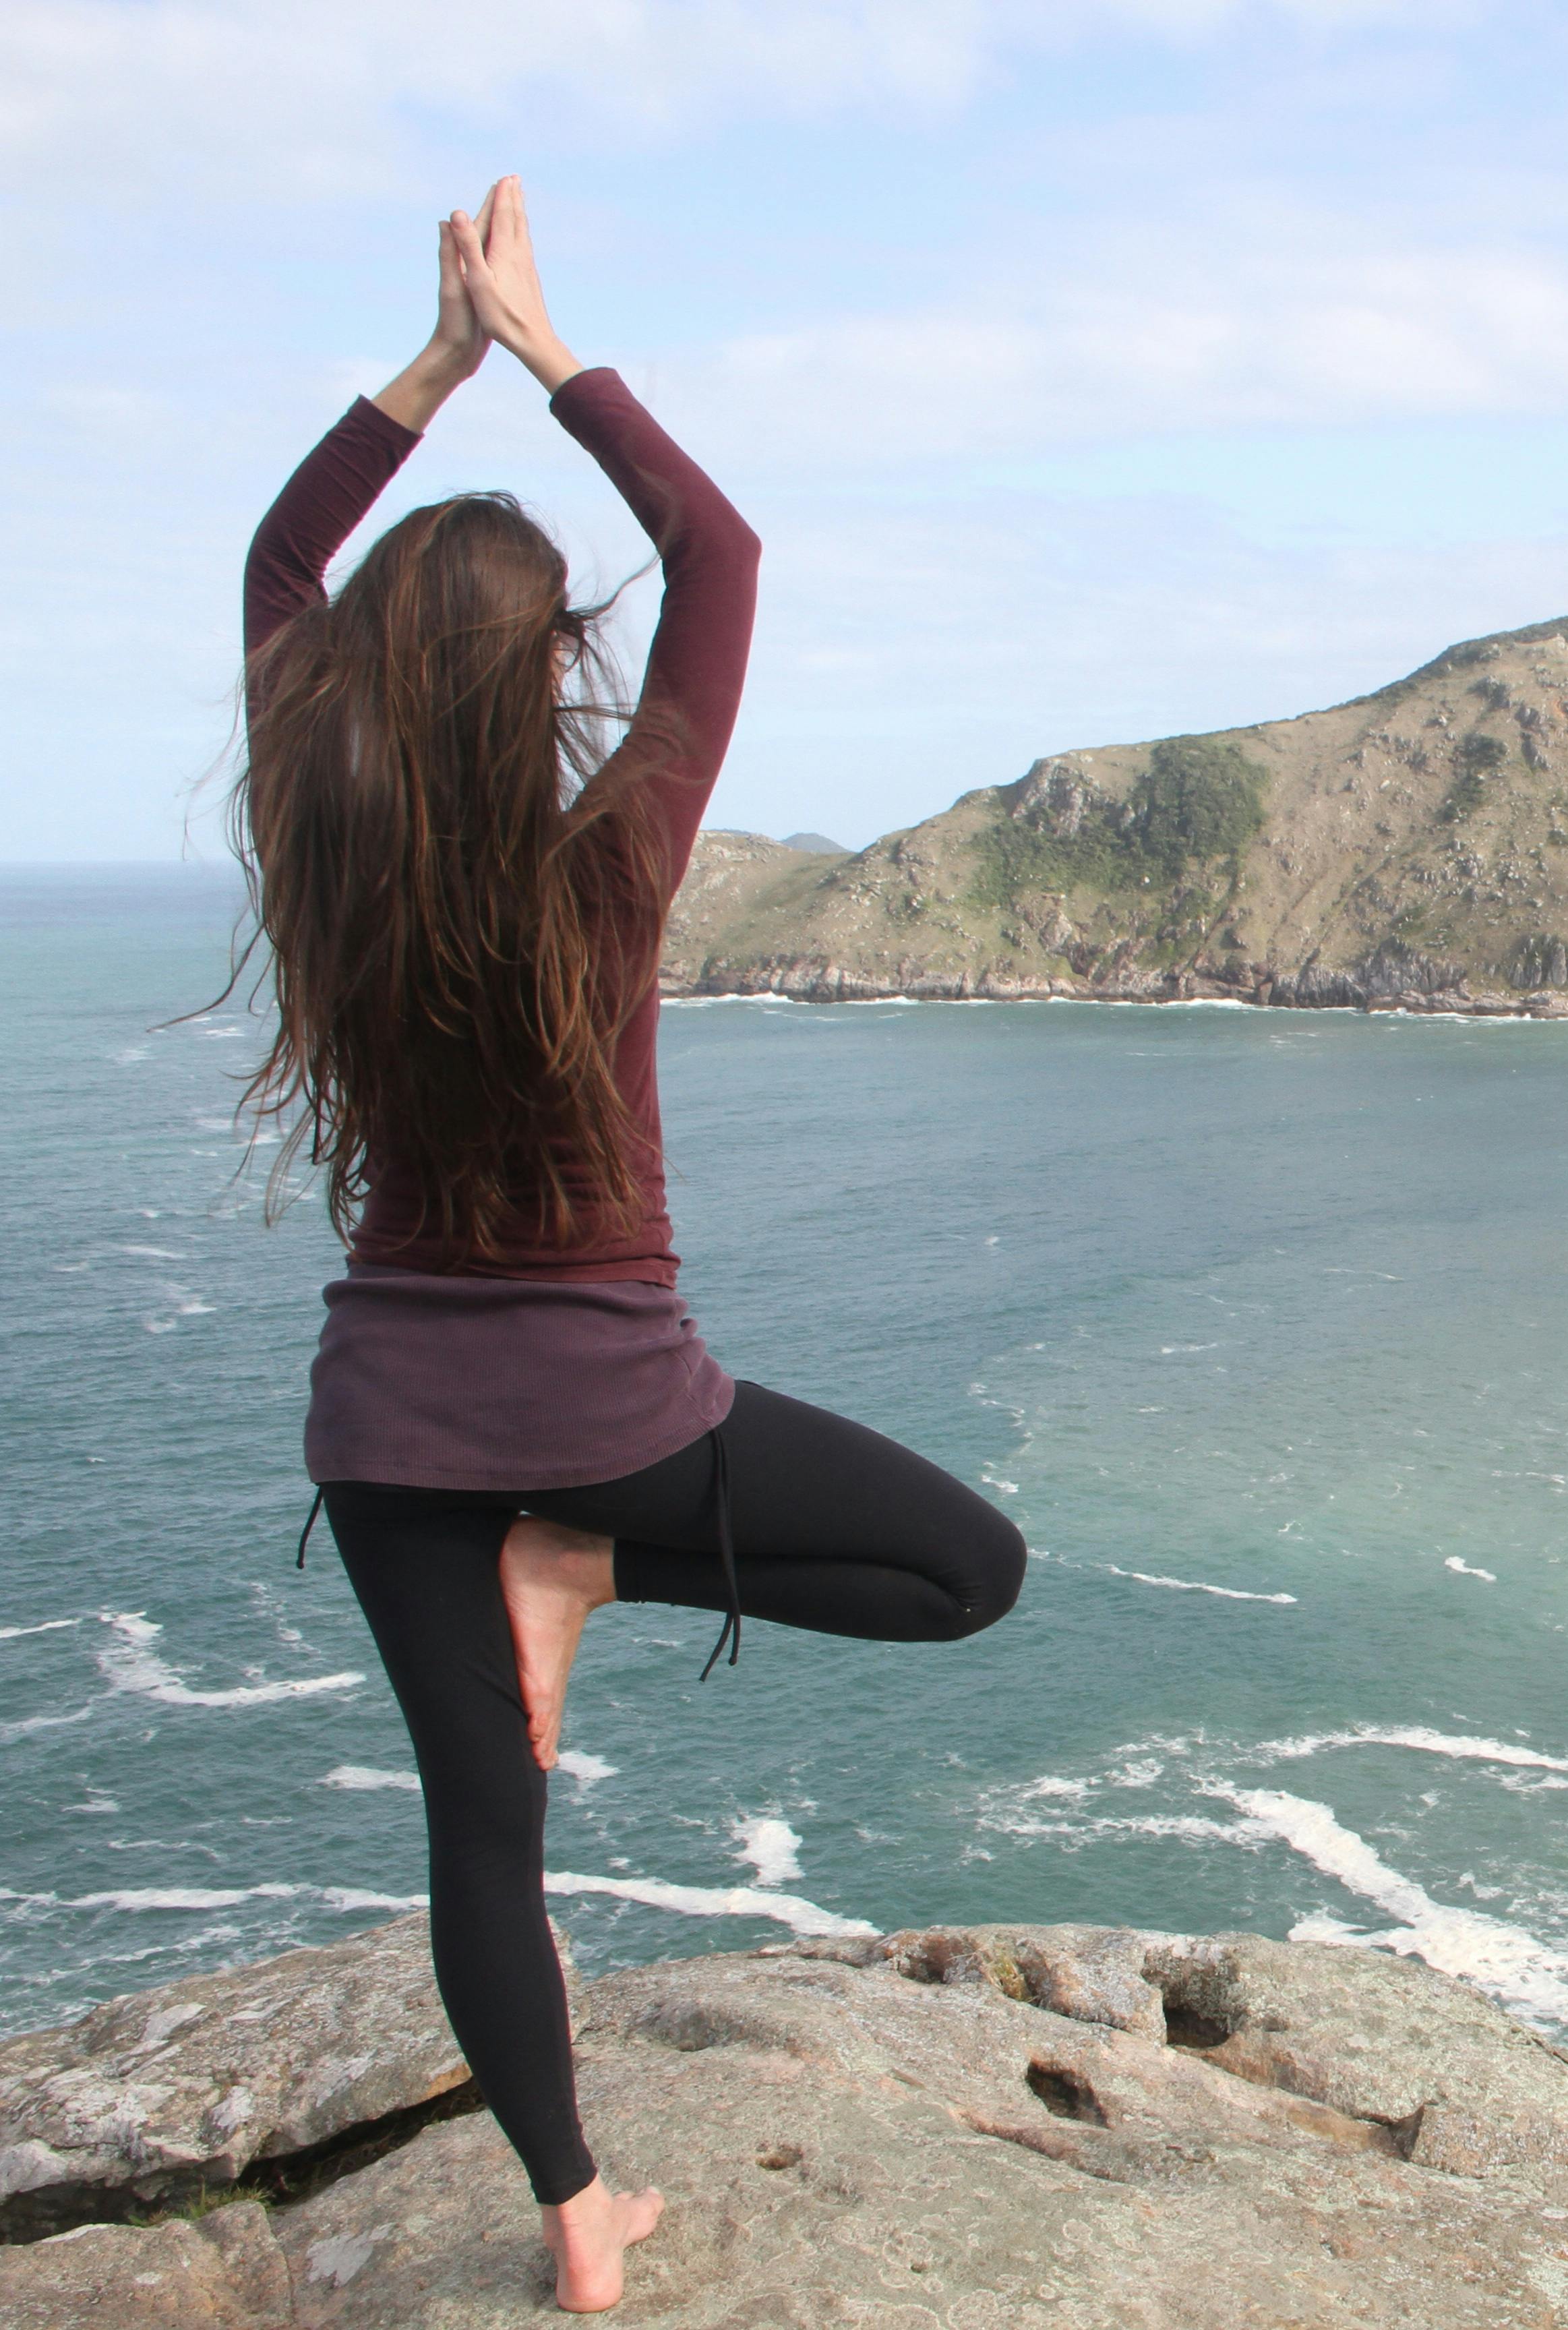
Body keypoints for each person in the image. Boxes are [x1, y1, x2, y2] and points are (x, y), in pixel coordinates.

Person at [237, 181, 1027, 2312]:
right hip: (613, 1416)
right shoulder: (614, 869)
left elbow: (277, 569)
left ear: (373, 682)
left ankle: (575, 2226)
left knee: (481, 1844)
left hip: (384, 1434)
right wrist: (545, 346)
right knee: (971, 1571)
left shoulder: (328, 859)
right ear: (553, 673)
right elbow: (724, 557)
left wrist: (428, 369)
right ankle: (589, 1557)